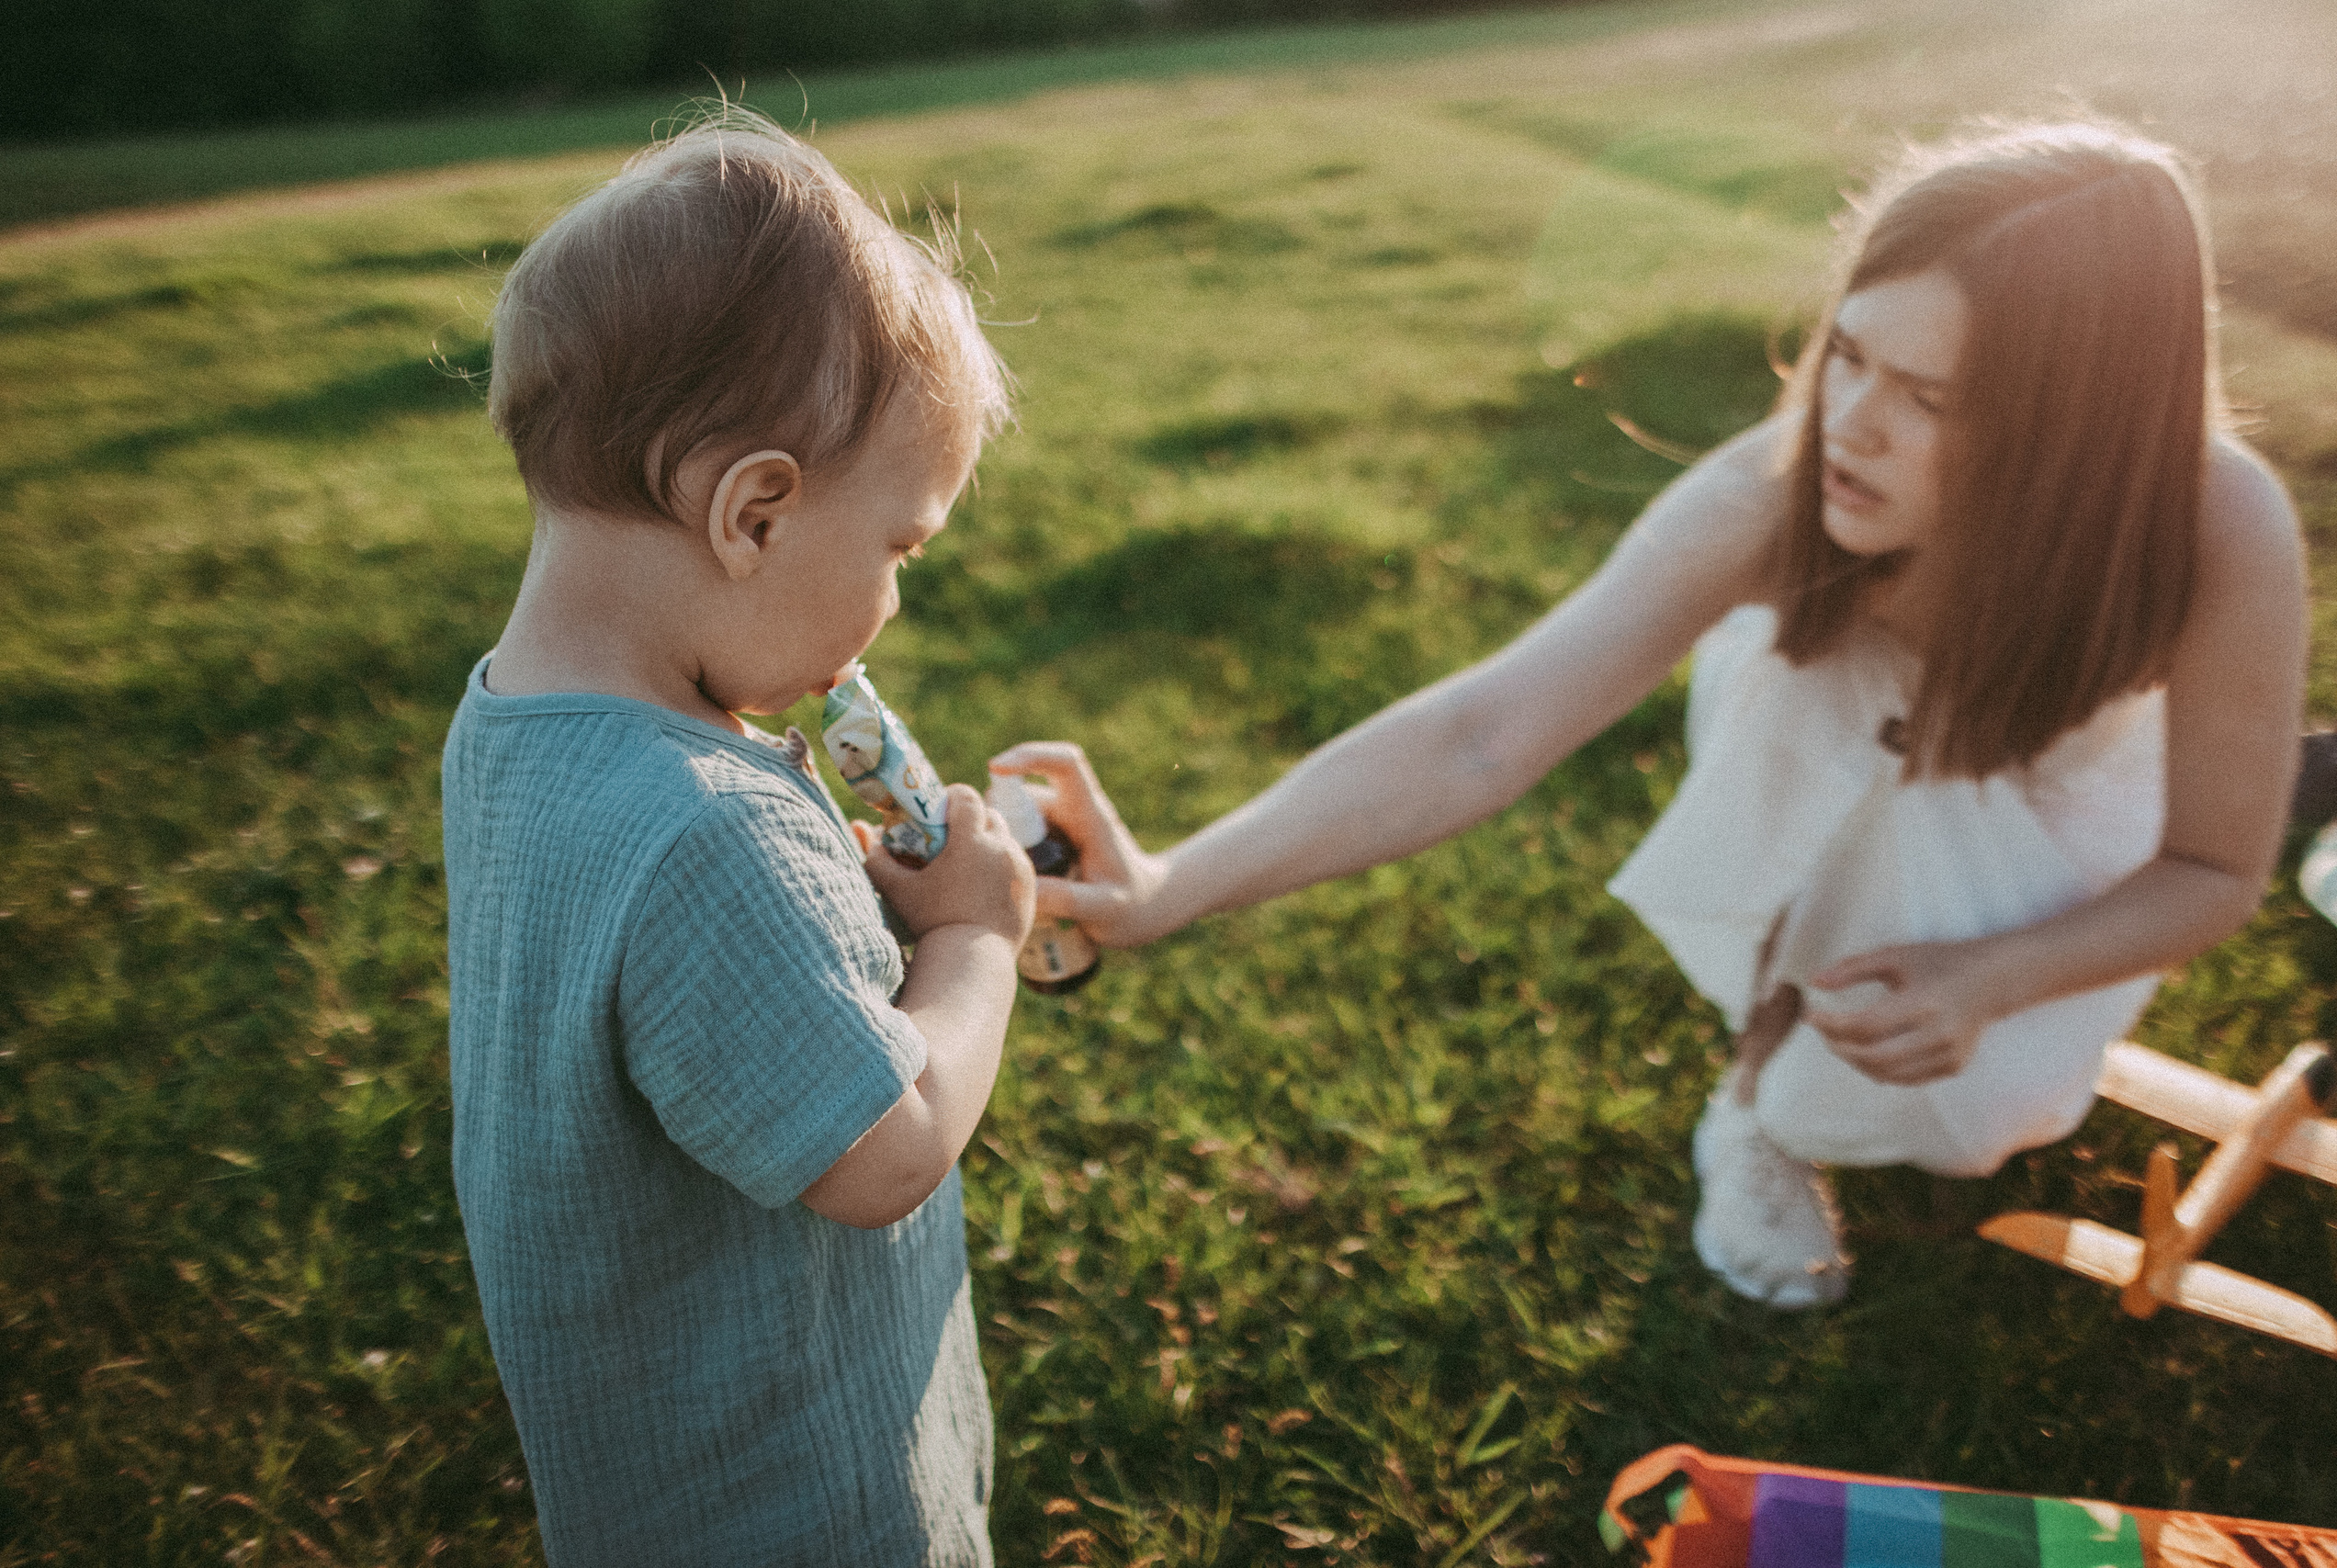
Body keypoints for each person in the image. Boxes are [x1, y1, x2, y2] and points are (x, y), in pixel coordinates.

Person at [993, 121, 2306, 1308]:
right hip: (1818, 718)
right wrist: (1171, 886)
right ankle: (1752, 1103)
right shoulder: (1782, 486)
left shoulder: (2219, 525)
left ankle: (1887, 1034)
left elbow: (2215, 868)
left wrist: (1994, 975)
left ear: (2080, 431)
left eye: (1931, 401)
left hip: (2055, 790)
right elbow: (1483, 733)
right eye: (1849, 354)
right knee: (1828, 866)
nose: (1848, 425)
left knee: (1985, 1114)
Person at [442, 110, 1032, 1566]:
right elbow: (885, 1151)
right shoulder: (705, 836)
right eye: (900, 548)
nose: (893, 601)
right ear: (753, 513)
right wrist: (972, 939)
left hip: (647, 1484)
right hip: (801, 1506)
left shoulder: (510, 727)